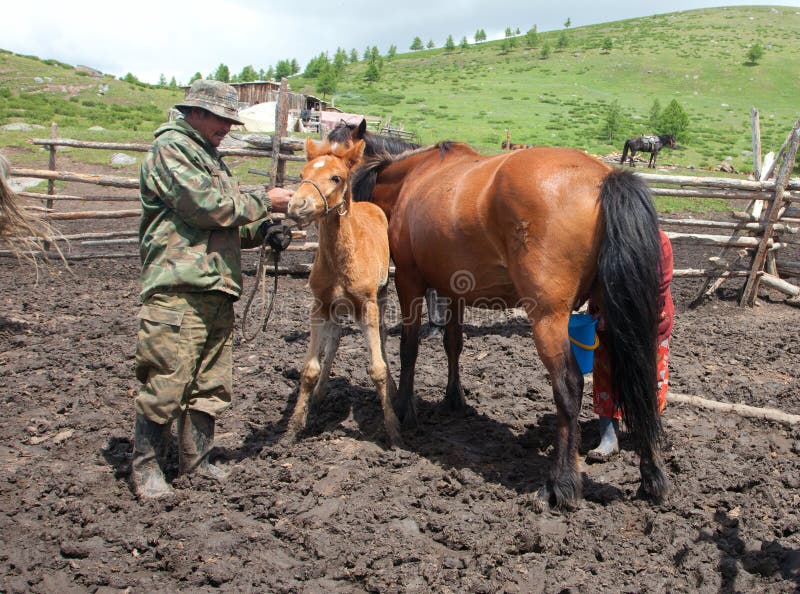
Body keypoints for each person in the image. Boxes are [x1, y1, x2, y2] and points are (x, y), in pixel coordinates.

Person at [131, 79, 294, 499]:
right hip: (179, 287)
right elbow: (207, 207)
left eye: (229, 120)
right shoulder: (170, 150)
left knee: (209, 384)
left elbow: (226, 226)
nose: (227, 127)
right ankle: (147, 469)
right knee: (167, 379)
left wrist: (263, 231)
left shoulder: (209, 158)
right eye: (221, 119)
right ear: (196, 113)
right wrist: (266, 201)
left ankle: (196, 463)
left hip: (216, 287)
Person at [586, 229, 674, 462]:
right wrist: (602, 311)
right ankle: (608, 436)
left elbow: (658, 288)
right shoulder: (602, 239)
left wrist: (628, 320)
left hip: (648, 320)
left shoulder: (658, 242)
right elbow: (592, 278)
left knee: (649, 376)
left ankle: (648, 431)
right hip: (607, 318)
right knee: (605, 373)